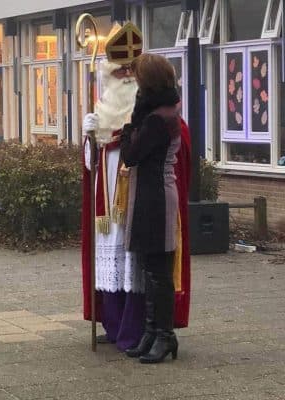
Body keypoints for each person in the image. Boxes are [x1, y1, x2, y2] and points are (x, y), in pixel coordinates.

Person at [120, 53, 183, 364]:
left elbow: (131, 155)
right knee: (148, 268)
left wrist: (126, 130)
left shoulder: (160, 118)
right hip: (148, 193)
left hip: (157, 196)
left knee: (159, 271)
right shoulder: (157, 112)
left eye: (139, 78)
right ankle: (150, 331)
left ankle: (165, 335)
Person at [81, 58, 143, 352]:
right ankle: (113, 325)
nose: (127, 76)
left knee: (132, 265)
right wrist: (89, 137)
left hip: (133, 196)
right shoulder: (103, 108)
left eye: (131, 70)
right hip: (105, 199)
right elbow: (89, 164)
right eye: (120, 70)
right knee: (108, 263)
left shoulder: (144, 109)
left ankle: (133, 330)